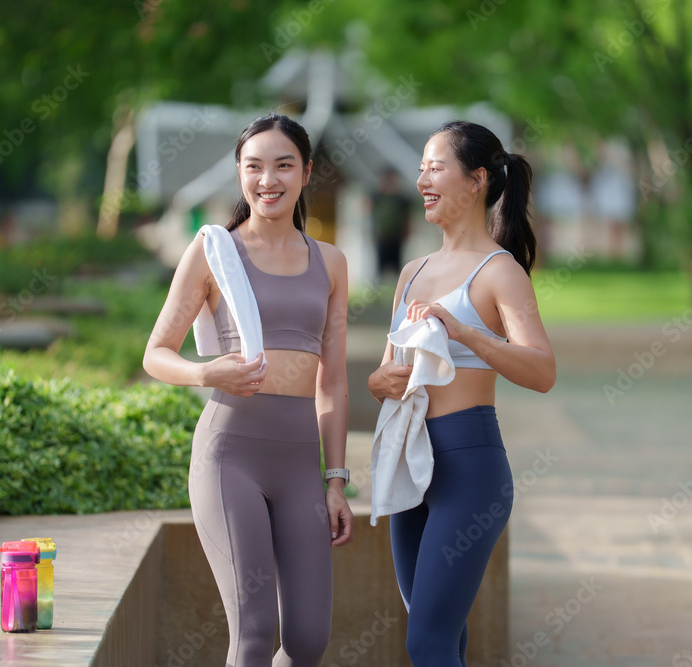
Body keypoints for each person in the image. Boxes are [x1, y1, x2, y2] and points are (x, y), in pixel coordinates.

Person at [143, 113, 353, 667]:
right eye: (254, 166)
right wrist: (205, 373)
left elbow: (332, 381)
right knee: (255, 635)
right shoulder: (214, 252)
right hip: (229, 454)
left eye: (284, 165)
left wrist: (336, 480)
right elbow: (155, 354)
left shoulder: (331, 263)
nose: (268, 180)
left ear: (306, 173)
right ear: (238, 174)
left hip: (301, 460)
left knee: (307, 640)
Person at [367, 121, 556, 666]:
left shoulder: (501, 272)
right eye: (422, 167)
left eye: (435, 166)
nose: (422, 178)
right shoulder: (411, 272)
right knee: (441, 636)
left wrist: (467, 332)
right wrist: (380, 383)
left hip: (468, 467)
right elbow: (385, 373)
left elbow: (542, 371)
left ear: (476, 180)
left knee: (425, 643)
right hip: (408, 459)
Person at [369, 167, 412, 281]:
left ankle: (398, 287)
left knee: (397, 265)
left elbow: (407, 218)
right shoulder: (377, 196)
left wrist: (406, 232)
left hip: (397, 237)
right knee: (380, 266)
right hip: (382, 237)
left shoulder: (402, 199)